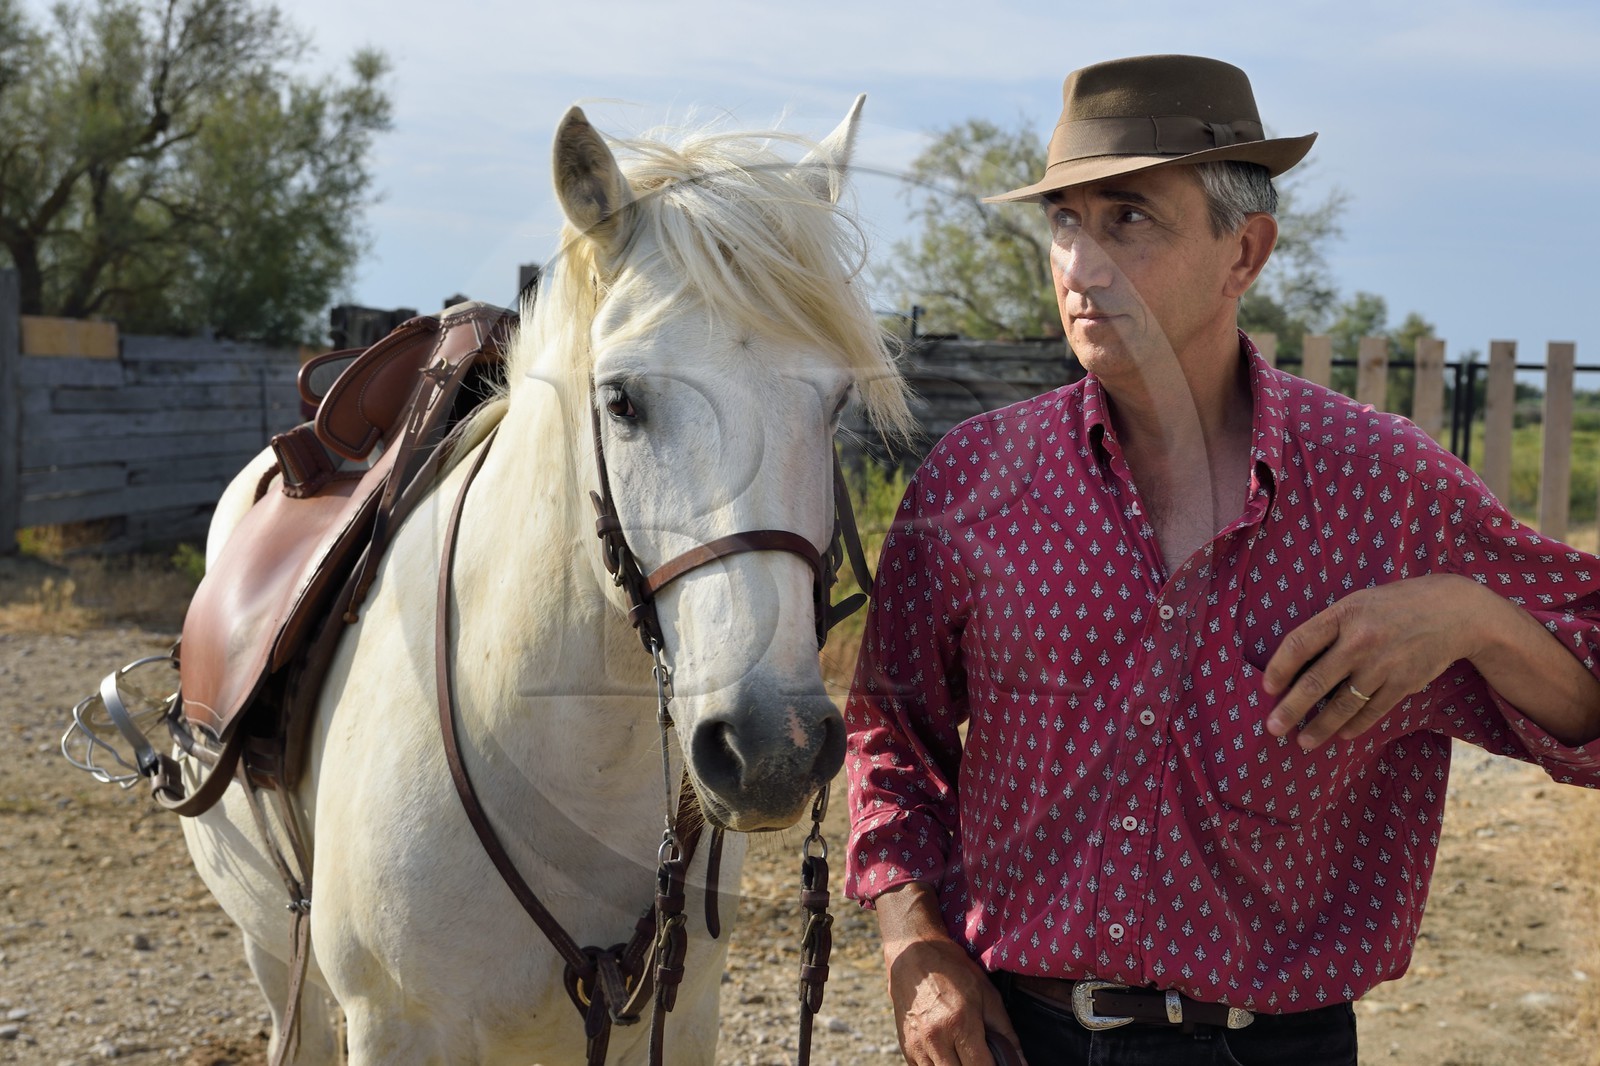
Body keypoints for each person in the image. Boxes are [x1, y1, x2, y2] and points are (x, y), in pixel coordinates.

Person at [844, 53, 1600, 1066]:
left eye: (1129, 218)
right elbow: (888, 729)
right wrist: (912, 941)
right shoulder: (971, 482)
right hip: (1016, 1038)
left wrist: (1468, 616)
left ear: (1244, 251)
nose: (1080, 263)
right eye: (1063, 222)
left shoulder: (1385, 490)